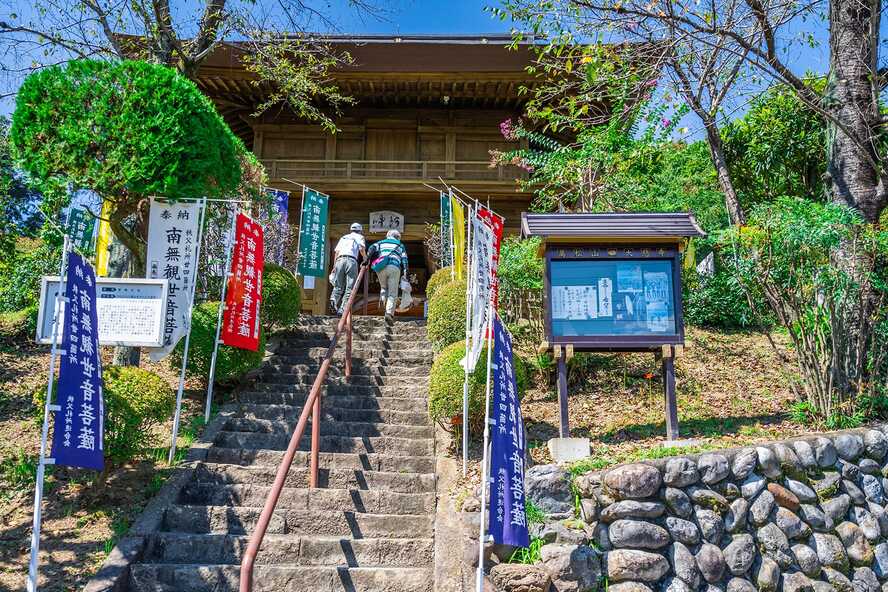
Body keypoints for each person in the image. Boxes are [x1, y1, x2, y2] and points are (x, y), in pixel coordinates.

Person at [366, 229, 408, 320]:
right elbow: (404, 259)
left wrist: (367, 260)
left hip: (380, 267)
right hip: (394, 266)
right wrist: (405, 272)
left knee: (384, 287)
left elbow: (371, 248)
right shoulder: (400, 245)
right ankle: (388, 313)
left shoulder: (381, 242)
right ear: (397, 237)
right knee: (392, 292)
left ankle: (382, 300)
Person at [329, 222, 366, 314]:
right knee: (350, 287)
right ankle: (343, 309)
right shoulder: (359, 237)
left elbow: (336, 252)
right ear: (360, 231)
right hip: (351, 260)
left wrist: (334, 266)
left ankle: (333, 300)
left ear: (351, 230)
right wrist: (365, 259)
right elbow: (361, 248)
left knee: (338, 286)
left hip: (339, 260)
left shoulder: (343, 237)